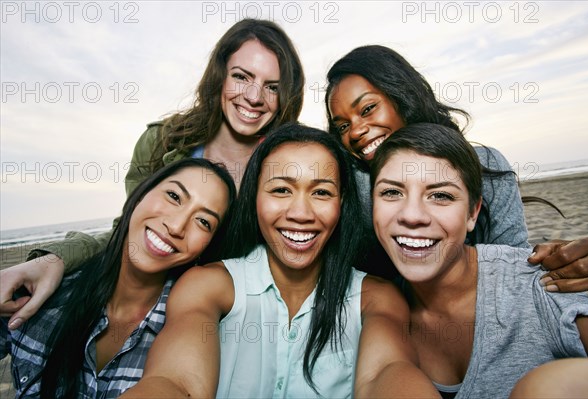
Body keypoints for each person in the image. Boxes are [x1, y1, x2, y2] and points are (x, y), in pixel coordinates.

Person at [0, 18, 305, 330]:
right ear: (220, 76)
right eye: (241, 77)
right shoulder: (162, 142)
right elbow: (129, 232)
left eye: (272, 87)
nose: (254, 97)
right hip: (156, 318)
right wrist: (55, 258)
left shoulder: (293, 164)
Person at [120, 124, 440, 398]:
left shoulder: (376, 298)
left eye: (321, 193)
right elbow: (176, 382)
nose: (300, 214)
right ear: (255, 196)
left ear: (341, 203)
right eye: (281, 190)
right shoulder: (209, 286)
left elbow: (387, 372)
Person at [325, 44, 588, 291]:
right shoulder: (353, 186)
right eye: (343, 126)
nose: (357, 131)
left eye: (368, 108)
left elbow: (515, 267)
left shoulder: (486, 166)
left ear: (402, 96)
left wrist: (563, 266)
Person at [369, 123, 588, 399]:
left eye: (440, 195)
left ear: (472, 214)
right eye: (392, 192)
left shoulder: (543, 287)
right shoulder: (376, 311)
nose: (412, 215)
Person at [0, 158, 236, 397]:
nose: (176, 226)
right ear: (140, 194)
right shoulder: (37, 291)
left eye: (204, 222)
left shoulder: (190, 328)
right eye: (174, 196)